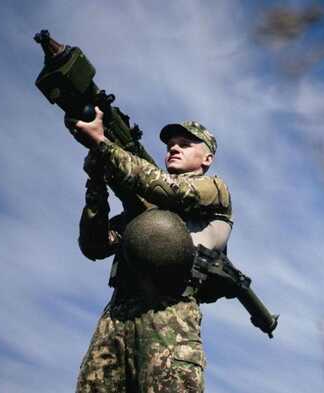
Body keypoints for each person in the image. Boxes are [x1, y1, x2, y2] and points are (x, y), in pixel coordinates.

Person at [71, 107, 232, 392]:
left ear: (207, 158)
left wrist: (103, 145)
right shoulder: (146, 210)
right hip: (116, 318)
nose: (174, 149)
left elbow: (168, 189)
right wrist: (96, 184)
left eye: (185, 144)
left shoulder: (214, 189)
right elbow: (94, 246)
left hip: (170, 317)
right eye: (170, 145)